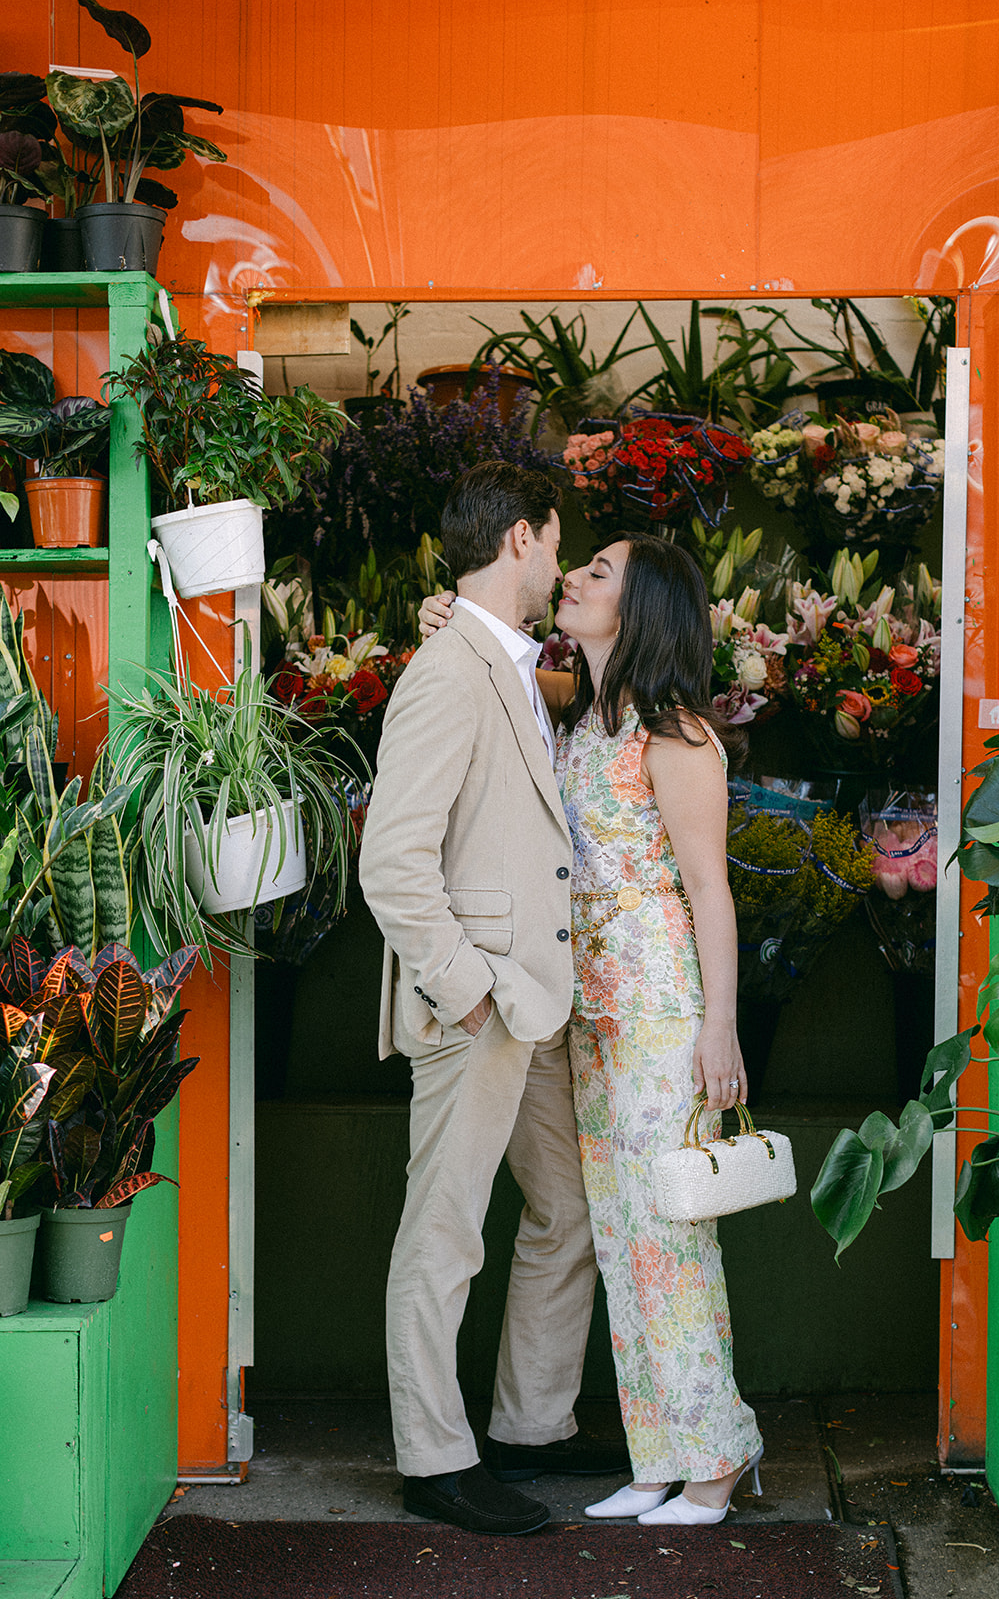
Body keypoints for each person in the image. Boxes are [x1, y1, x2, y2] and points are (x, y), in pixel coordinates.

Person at [419, 531, 764, 1527]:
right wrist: (443, 622)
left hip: (659, 1010)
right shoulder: (582, 723)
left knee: (669, 1237)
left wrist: (720, 1030)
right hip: (591, 1019)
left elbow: (710, 890)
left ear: (643, 605)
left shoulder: (676, 735)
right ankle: (658, 1456)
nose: (570, 577)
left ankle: (715, 1458)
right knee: (620, 1238)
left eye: (597, 571)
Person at [358, 461, 628, 1540]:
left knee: (564, 1211)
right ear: (519, 536)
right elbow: (393, 863)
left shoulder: (506, 659)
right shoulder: (446, 669)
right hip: (478, 1003)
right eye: (557, 540)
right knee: (446, 1229)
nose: (561, 563)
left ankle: (530, 1423)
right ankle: (433, 1459)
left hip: (530, 1004)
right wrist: (468, 991)